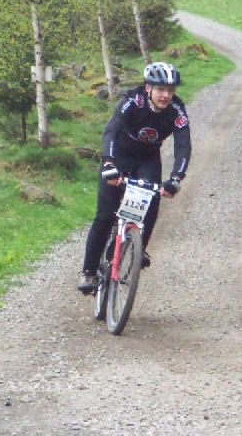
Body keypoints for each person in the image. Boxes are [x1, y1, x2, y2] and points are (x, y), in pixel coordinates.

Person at [78, 61, 192, 293]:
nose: (166, 95)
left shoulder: (177, 110)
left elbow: (184, 144)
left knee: (151, 201)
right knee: (105, 215)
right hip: (118, 156)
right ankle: (88, 272)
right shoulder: (133, 100)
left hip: (147, 160)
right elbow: (111, 130)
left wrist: (175, 179)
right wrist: (108, 163)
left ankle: (139, 249)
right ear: (148, 87)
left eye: (170, 90)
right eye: (161, 89)